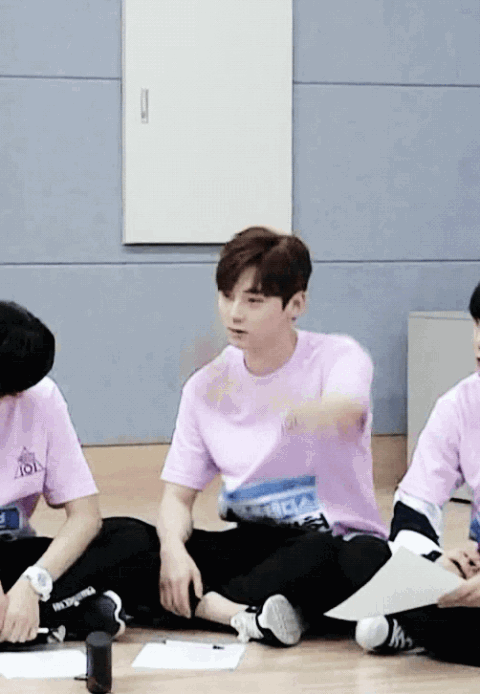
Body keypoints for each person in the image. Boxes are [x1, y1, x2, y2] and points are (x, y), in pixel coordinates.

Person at [155, 226, 391, 646]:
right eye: (226, 296)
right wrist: (172, 551)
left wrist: (291, 412)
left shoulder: (338, 356)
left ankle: (214, 608)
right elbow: (177, 496)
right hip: (254, 544)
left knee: (353, 559)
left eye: (254, 301)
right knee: (132, 542)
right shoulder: (205, 385)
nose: (234, 314)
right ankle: (259, 612)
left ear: (296, 304)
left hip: (334, 542)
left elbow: (348, 408)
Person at [0, 301, 164, 646]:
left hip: (14, 556)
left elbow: (85, 516)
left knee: (133, 539)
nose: (16, 399)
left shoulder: (41, 397)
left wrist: (34, 583)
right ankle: (77, 613)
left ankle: (44, 617)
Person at [355, 280, 480, 666]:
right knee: (362, 555)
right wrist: (436, 565)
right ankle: (421, 622)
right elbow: (415, 508)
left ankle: (412, 628)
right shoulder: (460, 406)